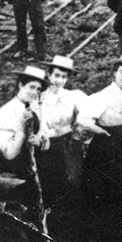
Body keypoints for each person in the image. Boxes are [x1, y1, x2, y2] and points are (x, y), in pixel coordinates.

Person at [77, 54, 122, 239]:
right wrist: (101, 132)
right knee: (107, 181)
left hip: (121, 139)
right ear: (114, 73)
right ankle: (106, 227)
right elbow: (83, 119)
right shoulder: (104, 95)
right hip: (105, 143)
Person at [0, 66, 49, 212]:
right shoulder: (6, 112)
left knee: (37, 212)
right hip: (13, 173)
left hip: (35, 170)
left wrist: (40, 142)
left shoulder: (36, 109)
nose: (34, 92)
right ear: (20, 85)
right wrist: (22, 131)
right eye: (31, 87)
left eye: (38, 89)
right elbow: (9, 154)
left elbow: (45, 137)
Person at [36, 56, 87, 218]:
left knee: (73, 184)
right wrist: (64, 129)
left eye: (64, 77)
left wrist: (79, 125)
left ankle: (72, 224)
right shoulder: (39, 99)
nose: (59, 81)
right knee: (52, 186)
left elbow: (89, 113)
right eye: (56, 76)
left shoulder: (73, 96)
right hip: (50, 149)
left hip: (70, 148)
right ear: (49, 75)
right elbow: (42, 129)